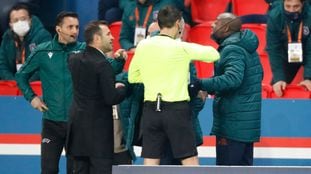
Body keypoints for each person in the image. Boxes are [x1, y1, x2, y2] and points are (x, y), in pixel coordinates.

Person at [128, 5, 219, 165]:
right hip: (177, 111)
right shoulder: (181, 47)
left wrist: (153, 75)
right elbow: (213, 54)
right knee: (189, 160)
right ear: (178, 23)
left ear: (159, 23)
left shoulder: (143, 45)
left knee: (150, 161)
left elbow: (133, 77)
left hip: (151, 111)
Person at [15, 11, 84, 174]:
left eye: (77, 27)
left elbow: (107, 68)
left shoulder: (84, 51)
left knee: (74, 171)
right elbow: (20, 76)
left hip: (78, 123)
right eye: (70, 27)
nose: (75, 31)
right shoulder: (42, 52)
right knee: (48, 170)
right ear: (58, 29)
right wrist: (32, 98)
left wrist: (118, 61)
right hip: (51, 123)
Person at [199, 13, 262, 165]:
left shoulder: (232, 49)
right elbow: (256, 75)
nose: (212, 25)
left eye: (216, 22)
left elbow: (233, 79)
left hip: (232, 125)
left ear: (226, 27)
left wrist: (201, 84)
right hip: (244, 125)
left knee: (227, 169)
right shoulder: (245, 46)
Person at [67, 20, 127, 174]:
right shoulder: (102, 64)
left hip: (78, 134)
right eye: (108, 34)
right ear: (97, 39)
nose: (112, 37)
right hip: (99, 138)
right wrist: (122, 88)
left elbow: (93, 80)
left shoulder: (74, 60)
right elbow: (111, 98)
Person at [266, 0, 311, 97]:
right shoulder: (275, 16)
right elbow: (274, 49)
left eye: (296, 6)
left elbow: (310, 50)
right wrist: (279, 78)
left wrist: (308, 77)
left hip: (308, 52)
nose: (291, 10)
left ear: (303, 4)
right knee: (277, 88)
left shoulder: (309, 15)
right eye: (288, 6)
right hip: (287, 54)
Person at [0, 3, 51, 80]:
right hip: (14, 86)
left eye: (23, 19)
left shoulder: (43, 36)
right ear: (10, 24)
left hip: (37, 85)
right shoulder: (7, 38)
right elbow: (2, 64)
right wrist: (12, 80)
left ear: (30, 20)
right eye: (15, 20)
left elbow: (46, 64)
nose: (20, 23)